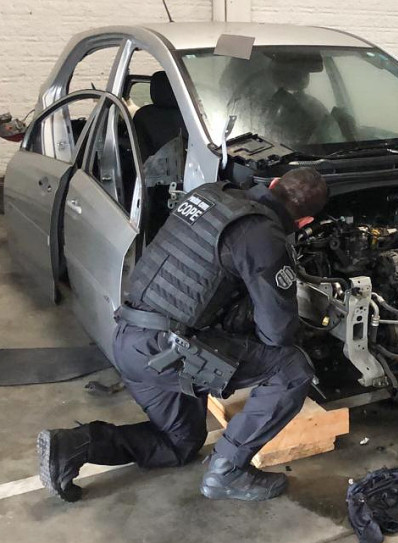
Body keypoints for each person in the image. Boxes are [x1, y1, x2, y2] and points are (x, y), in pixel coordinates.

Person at [37, 168, 329, 503]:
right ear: (305, 222)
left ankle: (73, 445)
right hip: (169, 350)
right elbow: (277, 333)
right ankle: (228, 471)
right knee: (291, 369)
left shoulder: (210, 193)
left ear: (273, 183)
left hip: (129, 339)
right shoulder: (262, 234)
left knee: (180, 443)